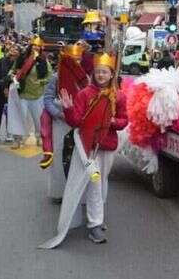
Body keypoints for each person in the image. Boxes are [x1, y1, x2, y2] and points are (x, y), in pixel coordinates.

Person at [40, 52, 127, 247]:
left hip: (106, 146)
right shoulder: (84, 94)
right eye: (98, 72)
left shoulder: (118, 96)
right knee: (93, 184)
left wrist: (111, 121)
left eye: (105, 72)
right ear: (94, 73)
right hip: (86, 148)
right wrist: (69, 109)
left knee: (100, 182)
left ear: (111, 74)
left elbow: (124, 120)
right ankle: (94, 224)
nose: (101, 75)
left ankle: (96, 217)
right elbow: (76, 122)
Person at [40, 44, 91, 200]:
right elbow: (47, 100)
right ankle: (59, 192)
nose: (75, 62)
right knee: (59, 155)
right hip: (60, 123)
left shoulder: (86, 78)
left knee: (79, 157)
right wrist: (58, 113)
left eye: (78, 59)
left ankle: (78, 193)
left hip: (79, 123)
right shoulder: (56, 77)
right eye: (72, 59)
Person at [8, 36, 52, 149]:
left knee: (38, 119)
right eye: (34, 45)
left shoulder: (44, 61)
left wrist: (40, 82)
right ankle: (17, 139)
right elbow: (12, 71)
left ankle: (40, 137)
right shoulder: (22, 58)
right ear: (30, 46)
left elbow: (49, 77)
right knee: (19, 116)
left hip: (37, 94)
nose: (36, 48)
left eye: (38, 46)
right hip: (22, 93)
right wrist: (13, 76)